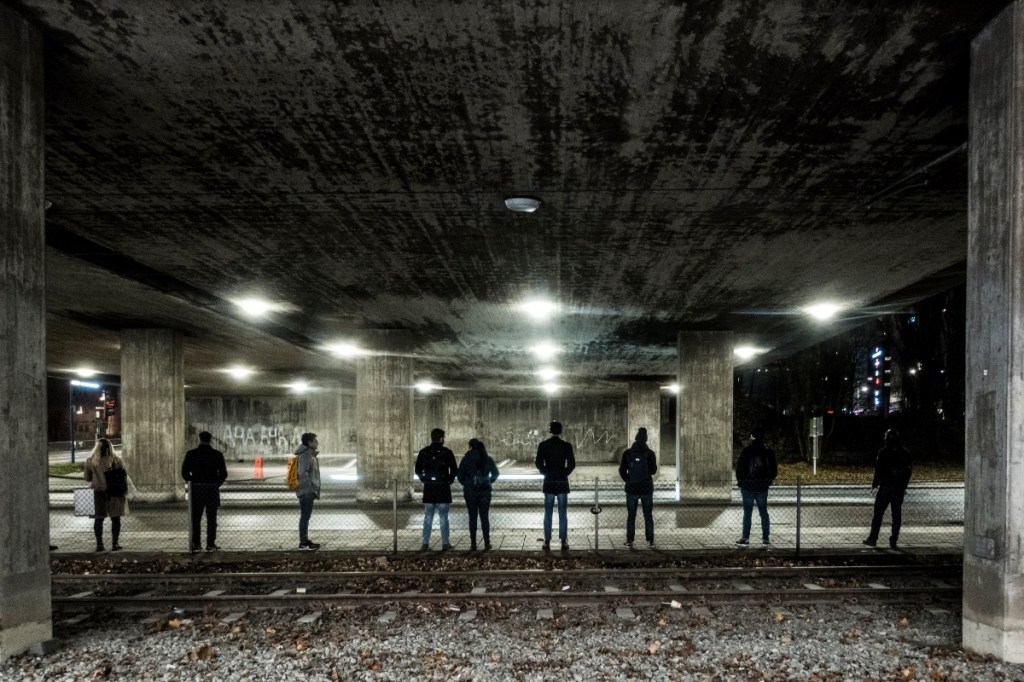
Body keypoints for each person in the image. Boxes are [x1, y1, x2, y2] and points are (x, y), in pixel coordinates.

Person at [864, 429, 913, 549]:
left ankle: (873, 538)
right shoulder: (905, 453)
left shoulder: (883, 452)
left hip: (886, 487)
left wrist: (875, 484)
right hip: (898, 489)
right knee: (896, 515)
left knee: (878, 514)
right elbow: (908, 471)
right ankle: (893, 540)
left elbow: (878, 469)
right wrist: (904, 485)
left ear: (887, 439)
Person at [181, 431, 228, 552]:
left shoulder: (191, 454)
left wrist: (192, 482)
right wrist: (216, 484)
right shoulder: (217, 455)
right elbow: (223, 473)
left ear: (199, 439)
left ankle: (197, 545)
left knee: (196, 519)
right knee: (212, 519)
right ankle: (210, 544)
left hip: (196, 490)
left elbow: (184, 472)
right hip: (212, 489)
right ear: (210, 439)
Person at [535, 420, 576, 552]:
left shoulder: (543, 445)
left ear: (550, 430)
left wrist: (545, 472)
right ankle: (563, 540)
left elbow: (538, 463)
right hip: (562, 482)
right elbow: (571, 464)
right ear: (560, 431)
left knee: (548, 512)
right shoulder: (566, 446)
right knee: (562, 513)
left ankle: (547, 540)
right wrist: (564, 473)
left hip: (549, 482)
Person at [415, 428, 458, 551]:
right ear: (441, 438)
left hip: (429, 488)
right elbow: (454, 469)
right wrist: (449, 480)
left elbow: (417, 470)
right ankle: (445, 543)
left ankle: (425, 543)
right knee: (443, 516)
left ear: (432, 437)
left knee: (428, 515)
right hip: (443, 487)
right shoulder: (447, 452)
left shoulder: (423, 452)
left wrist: (424, 479)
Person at [83, 438, 129, 552]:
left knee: (98, 519)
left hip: (98, 492)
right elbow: (124, 475)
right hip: (114, 492)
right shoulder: (117, 460)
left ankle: (99, 544)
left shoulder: (90, 461)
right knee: (115, 518)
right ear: (110, 447)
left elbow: (87, 478)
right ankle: (115, 544)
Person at [735, 426, 777, 547]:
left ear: (753, 437)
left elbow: (739, 468)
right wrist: (767, 482)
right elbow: (774, 470)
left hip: (748, 487)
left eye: (751, 435)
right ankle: (765, 539)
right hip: (762, 487)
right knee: (763, 512)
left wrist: (741, 481)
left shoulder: (746, 451)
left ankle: (745, 538)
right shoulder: (768, 452)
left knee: (747, 513)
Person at [457, 438, 500, 551]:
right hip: (485, 491)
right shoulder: (487, 458)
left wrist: (467, 484)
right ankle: (487, 542)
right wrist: (488, 481)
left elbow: (460, 475)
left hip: (470, 491)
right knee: (484, 517)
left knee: (472, 517)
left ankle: (473, 543)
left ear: (470, 446)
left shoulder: (466, 458)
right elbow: (496, 473)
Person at [619, 427, 658, 549]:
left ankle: (630, 540)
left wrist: (629, 480)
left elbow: (621, 470)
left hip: (632, 489)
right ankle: (650, 540)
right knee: (648, 515)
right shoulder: (650, 453)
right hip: (646, 488)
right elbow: (653, 470)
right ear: (646, 439)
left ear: (636, 438)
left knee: (631, 515)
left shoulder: (628, 453)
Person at [294, 432, 321, 550]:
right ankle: (303, 543)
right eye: (315, 441)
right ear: (309, 442)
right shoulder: (306, 455)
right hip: (306, 491)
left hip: (306, 490)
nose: (317, 443)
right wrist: (310, 488)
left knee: (305, 516)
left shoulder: (308, 454)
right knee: (305, 517)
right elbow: (302, 472)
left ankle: (304, 541)